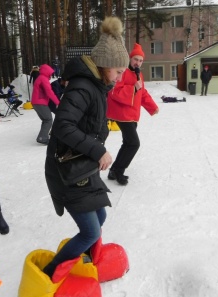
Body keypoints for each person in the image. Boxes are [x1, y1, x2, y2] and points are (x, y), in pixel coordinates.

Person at [42, 16, 129, 279]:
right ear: (104, 65)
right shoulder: (82, 87)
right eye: (117, 71)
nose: (119, 76)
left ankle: (83, 261)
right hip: (67, 171)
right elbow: (63, 127)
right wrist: (98, 150)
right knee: (91, 231)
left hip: (82, 166)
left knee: (100, 217)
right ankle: (49, 274)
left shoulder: (97, 86)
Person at [106, 43, 159, 185]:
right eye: (136, 59)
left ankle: (114, 170)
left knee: (128, 143)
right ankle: (118, 171)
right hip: (122, 114)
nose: (138, 62)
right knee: (134, 144)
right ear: (130, 58)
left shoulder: (139, 74)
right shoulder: (122, 72)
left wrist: (152, 107)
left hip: (133, 115)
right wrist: (133, 88)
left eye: (140, 60)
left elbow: (142, 93)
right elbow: (114, 92)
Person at [31, 64, 60, 145]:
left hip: (37, 102)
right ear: (47, 72)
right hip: (40, 102)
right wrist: (58, 102)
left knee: (45, 120)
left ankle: (43, 136)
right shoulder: (43, 79)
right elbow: (49, 92)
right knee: (48, 119)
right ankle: (42, 138)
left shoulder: (41, 78)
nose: (51, 74)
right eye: (50, 73)